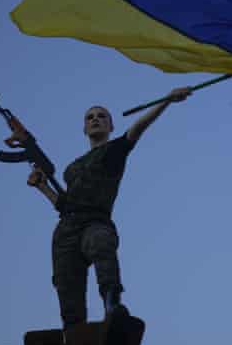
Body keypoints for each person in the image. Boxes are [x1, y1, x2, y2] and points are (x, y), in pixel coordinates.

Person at [27, 87, 192, 330]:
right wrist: (42, 187)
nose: (95, 119)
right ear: (84, 129)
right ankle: (74, 334)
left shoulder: (114, 151)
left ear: (111, 127)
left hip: (95, 221)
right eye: (90, 117)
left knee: (101, 244)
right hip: (66, 229)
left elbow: (137, 129)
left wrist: (166, 101)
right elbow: (63, 205)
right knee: (66, 283)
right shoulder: (72, 168)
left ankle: (112, 305)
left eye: (102, 116)